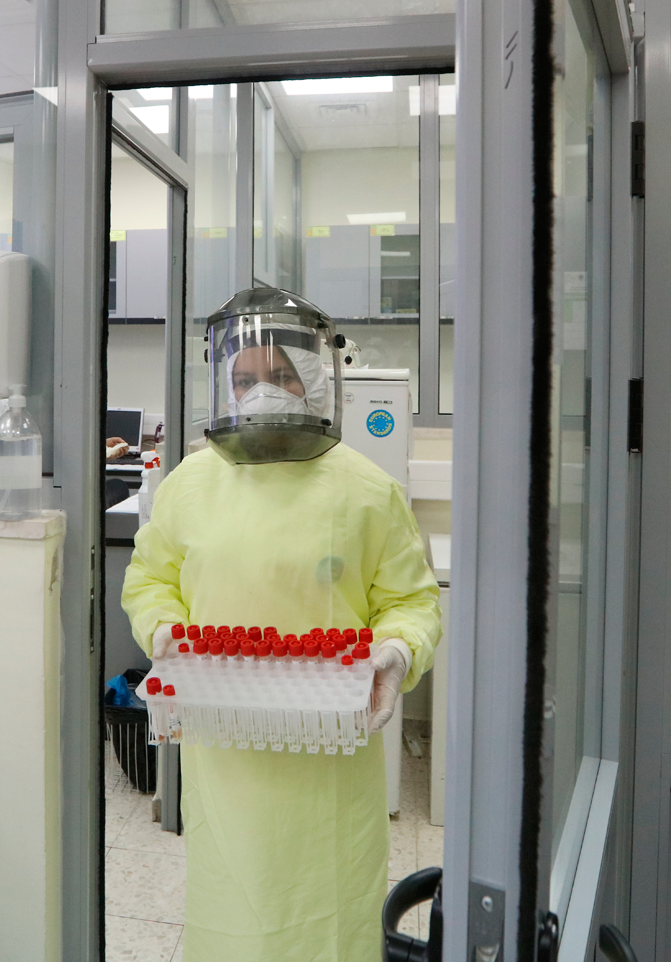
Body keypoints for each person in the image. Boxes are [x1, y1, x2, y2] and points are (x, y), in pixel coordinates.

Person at [122, 287, 440, 962]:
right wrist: (162, 629)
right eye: (244, 380)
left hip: (328, 764)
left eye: (280, 376)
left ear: (316, 382)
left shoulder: (367, 491)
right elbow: (150, 579)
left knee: (328, 925)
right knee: (232, 912)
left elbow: (411, 603)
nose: (261, 392)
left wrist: (396, 653)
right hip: (225, 756)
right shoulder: (190, 484)